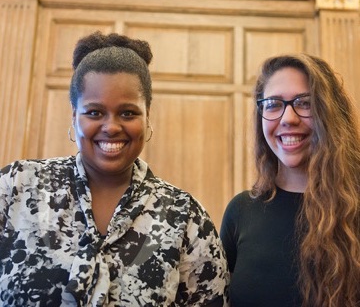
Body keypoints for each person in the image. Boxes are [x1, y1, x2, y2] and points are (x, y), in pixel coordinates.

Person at [0, 31, 229, 306]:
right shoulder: (17, 188)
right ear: (74, 115)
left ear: (147, 116)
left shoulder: (185, 217)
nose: (111, 127)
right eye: (94, 112)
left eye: (128, 113)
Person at [220, 53, 360, 307]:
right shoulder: (241, 212)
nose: (288, 118)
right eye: (273, 104)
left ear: (331, 114)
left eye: (304, 103)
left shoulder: (355, 208)